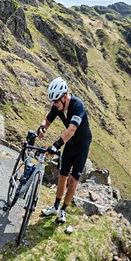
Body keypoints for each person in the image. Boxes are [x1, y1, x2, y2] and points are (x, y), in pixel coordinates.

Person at [37, 77, 92, 224]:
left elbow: (72, 129)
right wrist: (42, 127)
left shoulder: (77, 105)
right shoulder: (58, 105)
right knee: (62, 176)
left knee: (73, 181)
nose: (54, 105)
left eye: (56, 101)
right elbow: (47, 120)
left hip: (82, 145)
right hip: (70, 143)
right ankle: (55, 206)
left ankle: (63, 211)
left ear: (64, 96)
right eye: (53, 102)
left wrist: (56, 145)